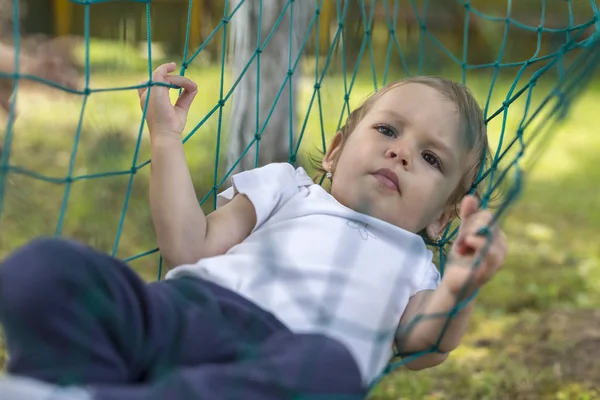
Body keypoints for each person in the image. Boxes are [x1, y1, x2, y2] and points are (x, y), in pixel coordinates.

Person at [0, 62, 507, 400]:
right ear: (334, 152)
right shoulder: (287, 188)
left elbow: (424, 347)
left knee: (332, 373)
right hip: (186, 310)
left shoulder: (415, 263)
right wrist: (165, 138)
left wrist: (462, 283)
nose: (401, 152)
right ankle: (66, 383)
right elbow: (188, 246)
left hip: (287, 361)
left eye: (431, 157)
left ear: (443, 217)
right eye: (388, 130)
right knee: (47, 269)